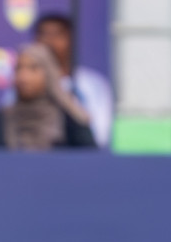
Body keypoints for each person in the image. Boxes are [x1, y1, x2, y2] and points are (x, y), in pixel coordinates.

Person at [0, 44, 95, 150]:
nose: (23, 76)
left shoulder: (70, 118)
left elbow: (91, 163)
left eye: (33, 68)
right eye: (18, 68)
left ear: (49, 74)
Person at [33, 14, 113, 148]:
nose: (49, 41)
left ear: (71, 39)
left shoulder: (93, 84)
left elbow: (100, 134)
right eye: (44, 35)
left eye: (57, 35)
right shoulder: (24, 85)